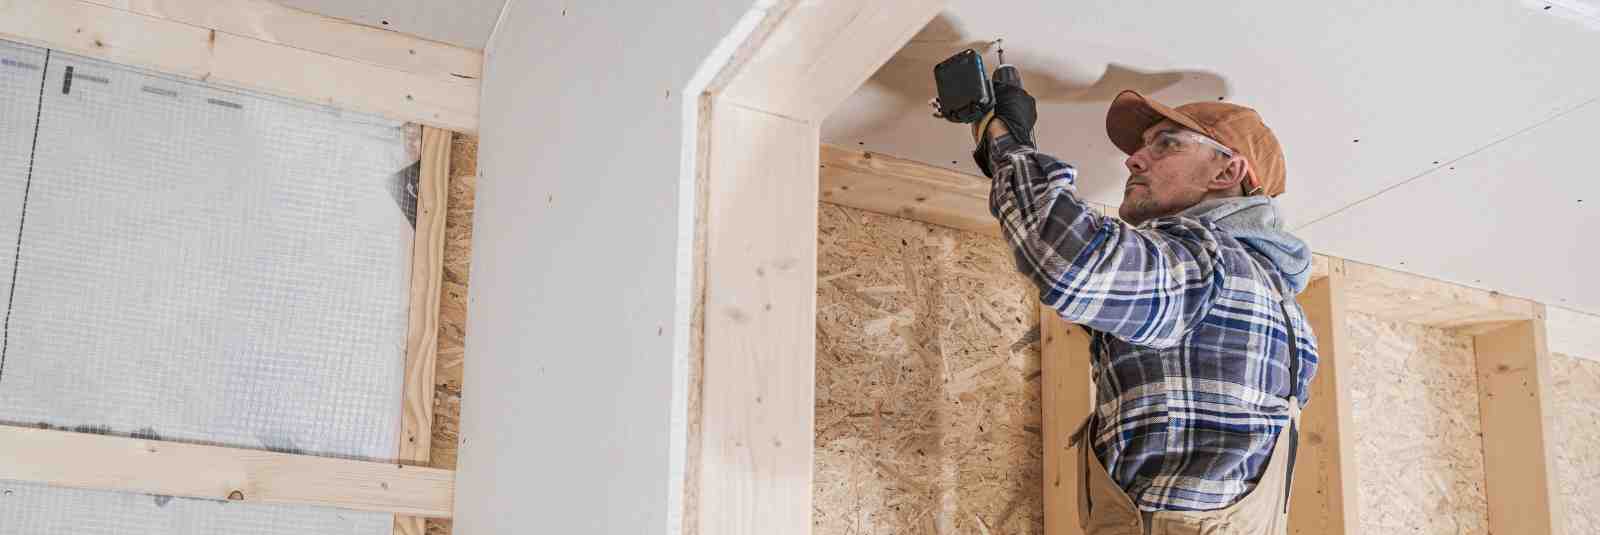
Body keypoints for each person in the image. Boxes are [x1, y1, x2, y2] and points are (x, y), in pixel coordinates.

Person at [943, 80, 1319, 534]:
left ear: (1226, 174)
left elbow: (1070, 261)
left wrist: (1010, 145)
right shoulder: (1273, 298)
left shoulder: (1208, 264)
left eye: (1167, 145)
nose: (1134, 159)